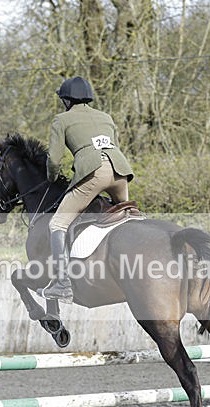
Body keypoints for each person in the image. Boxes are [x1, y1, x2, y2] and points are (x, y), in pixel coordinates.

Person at [40, 76, 134, 303]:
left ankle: (62, 284)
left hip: (94, 173)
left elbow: (53, 159)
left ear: (66, 100)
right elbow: (115, 145)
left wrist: (52, 178)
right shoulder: (106, 117)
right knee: (129, 216)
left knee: (57, 224)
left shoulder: (61, 120)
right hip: (120, 172)